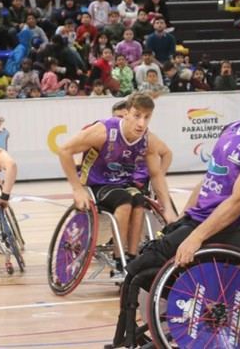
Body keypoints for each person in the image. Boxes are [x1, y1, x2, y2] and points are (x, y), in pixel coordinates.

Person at [110, 65, 240, 347]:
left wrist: (195, 237)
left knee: (137, 271)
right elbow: (208, 182)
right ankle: (162, 327)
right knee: (140, 267)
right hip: (198, 221)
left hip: (229, 230)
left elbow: (237, 203)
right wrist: (181, 221)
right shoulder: (231, 130)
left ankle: (137, 338)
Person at [56, 93, 177, 279]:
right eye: (137, 116)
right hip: (96, 183)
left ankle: (132, 257)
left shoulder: (148, 139)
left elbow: (156, 175)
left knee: (138, 200)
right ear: (126, 113)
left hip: (121, 183)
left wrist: (167, 208)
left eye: (147, 117)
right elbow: (64, 150)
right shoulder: (103, 131)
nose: (141, 123)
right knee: (125, 200)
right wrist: (77, 189)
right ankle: (119, 261)